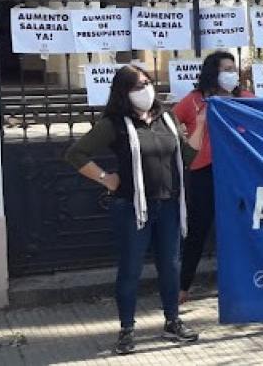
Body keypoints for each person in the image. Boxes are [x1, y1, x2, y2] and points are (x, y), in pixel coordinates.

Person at [65, 65, 202, 355]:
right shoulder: (114, 124)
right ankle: (126, 329)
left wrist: (201, 125)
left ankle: (172, 322)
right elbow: (76, 154)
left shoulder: (166, 118)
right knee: (130, 268)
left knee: (171, 266)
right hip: (133, 207)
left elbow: (186, 157)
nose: (146, 90)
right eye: (138, 86)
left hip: (168, 205)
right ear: (123, 92)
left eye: (148, 83)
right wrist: (106, 178)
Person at [173, 51, 254, 303]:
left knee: (240, 228)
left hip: (238, 171)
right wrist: (187, 138)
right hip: (204, 171)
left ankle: (242, 284)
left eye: (233, 69)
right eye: (226, 69)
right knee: (198, 230)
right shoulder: (195, 100)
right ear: (213, 72)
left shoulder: (245, 98)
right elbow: (170, 123)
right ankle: (182, 287)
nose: (232, 74)